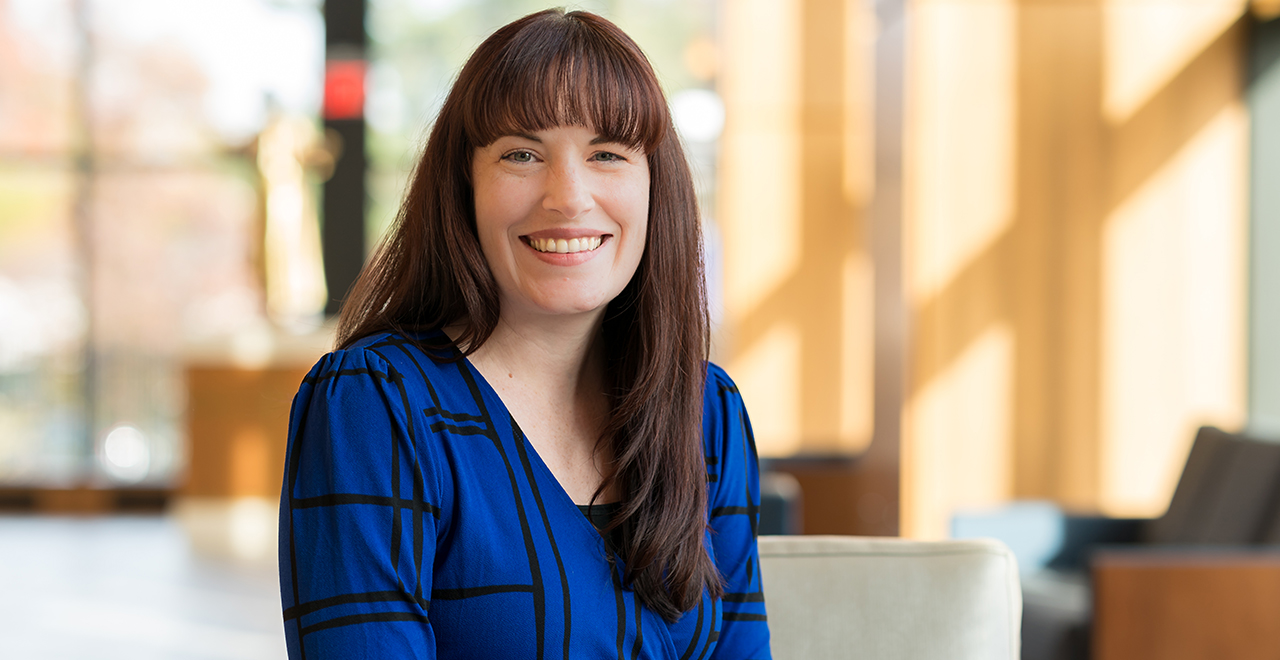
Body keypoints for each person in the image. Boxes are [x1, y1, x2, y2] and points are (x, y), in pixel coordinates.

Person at [278, 9, 770, 659]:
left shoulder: (707, 413)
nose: (568, 197)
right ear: (465, 187)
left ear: (657, 188)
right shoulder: (377, 404)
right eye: (522, 154)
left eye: (607, 154)